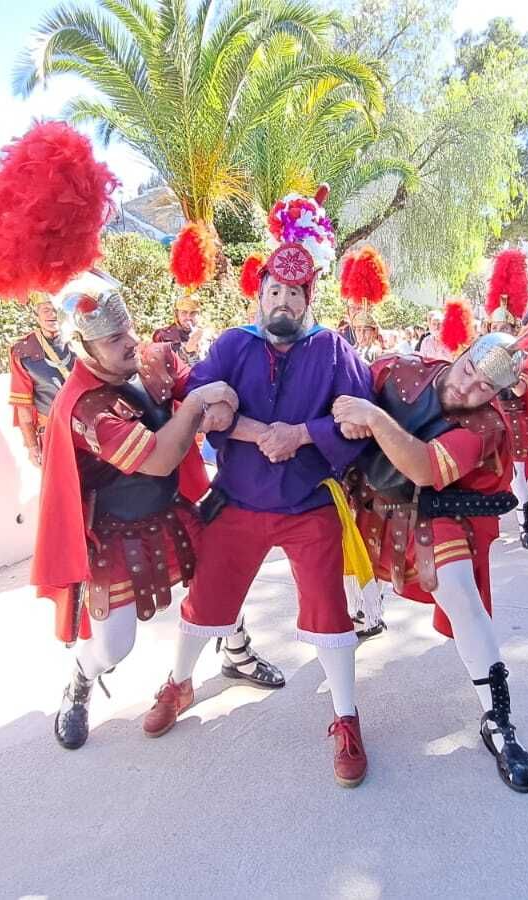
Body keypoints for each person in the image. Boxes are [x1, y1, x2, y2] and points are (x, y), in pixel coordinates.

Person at [151, 189, 375, 789]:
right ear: (259, 294)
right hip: (240, 500)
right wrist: (255, 430)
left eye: (294, 293)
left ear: (309, 299)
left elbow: (359, 418)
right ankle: (179, 683)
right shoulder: (230, 344)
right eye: (273, 291)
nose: (283, 301)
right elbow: (198, 401)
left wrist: (302, 434)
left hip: (308, 505)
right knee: (204, 600)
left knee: (329, 613)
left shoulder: (335, 350)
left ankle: (347, 719)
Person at [29, 270, 283, 751]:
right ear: (84, 346)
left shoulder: (152, 359)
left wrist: (246, 420)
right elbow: (163, 455)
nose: (130, 342)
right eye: (113, 339)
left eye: (127, 330)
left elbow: (200, 390)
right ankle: (80, 682)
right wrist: (200, 407)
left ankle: (236, 651)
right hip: (117, 533)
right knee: (114, 644)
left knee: (223, 572)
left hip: (173, 509)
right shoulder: (86, 409)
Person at [332, 332, 528, 792]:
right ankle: (360, 619)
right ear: (460, 353)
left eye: (484, 387)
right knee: (331, 575)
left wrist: (372, 417)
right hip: (364, 499)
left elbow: (423, 467)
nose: (468, 390)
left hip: (433, 508)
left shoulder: (487, 425)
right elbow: (339, 392)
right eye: (468, 372)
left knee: (462, 599)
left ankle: (498, 721)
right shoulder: (398, 369)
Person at [486, 305, 528, 548]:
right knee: (487, 476)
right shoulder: (481, 354)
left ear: (512, 329)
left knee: (517, 476)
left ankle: (526, 528)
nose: (498, 331)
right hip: (489, 420)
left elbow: (519, 389)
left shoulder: (522, 357)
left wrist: (505, 362)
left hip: (513, 420)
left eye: (503, 327)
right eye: (494, 327)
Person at [9, 295, 80, 468]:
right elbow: (23, 405)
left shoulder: (79, 340)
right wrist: (33, 446)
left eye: (56, 309)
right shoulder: (23, 351)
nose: (52, 314)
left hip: (85, 429)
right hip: (52, 432)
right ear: (36, 315)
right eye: (46, 310)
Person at [152, 296, 206, 365]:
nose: (188, 317)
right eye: (184, 312)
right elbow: (158, 366)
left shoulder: (207, 337)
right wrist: (186, 351)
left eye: (193, 313)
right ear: (177, 314)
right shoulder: (162, 335)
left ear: (199, 314)